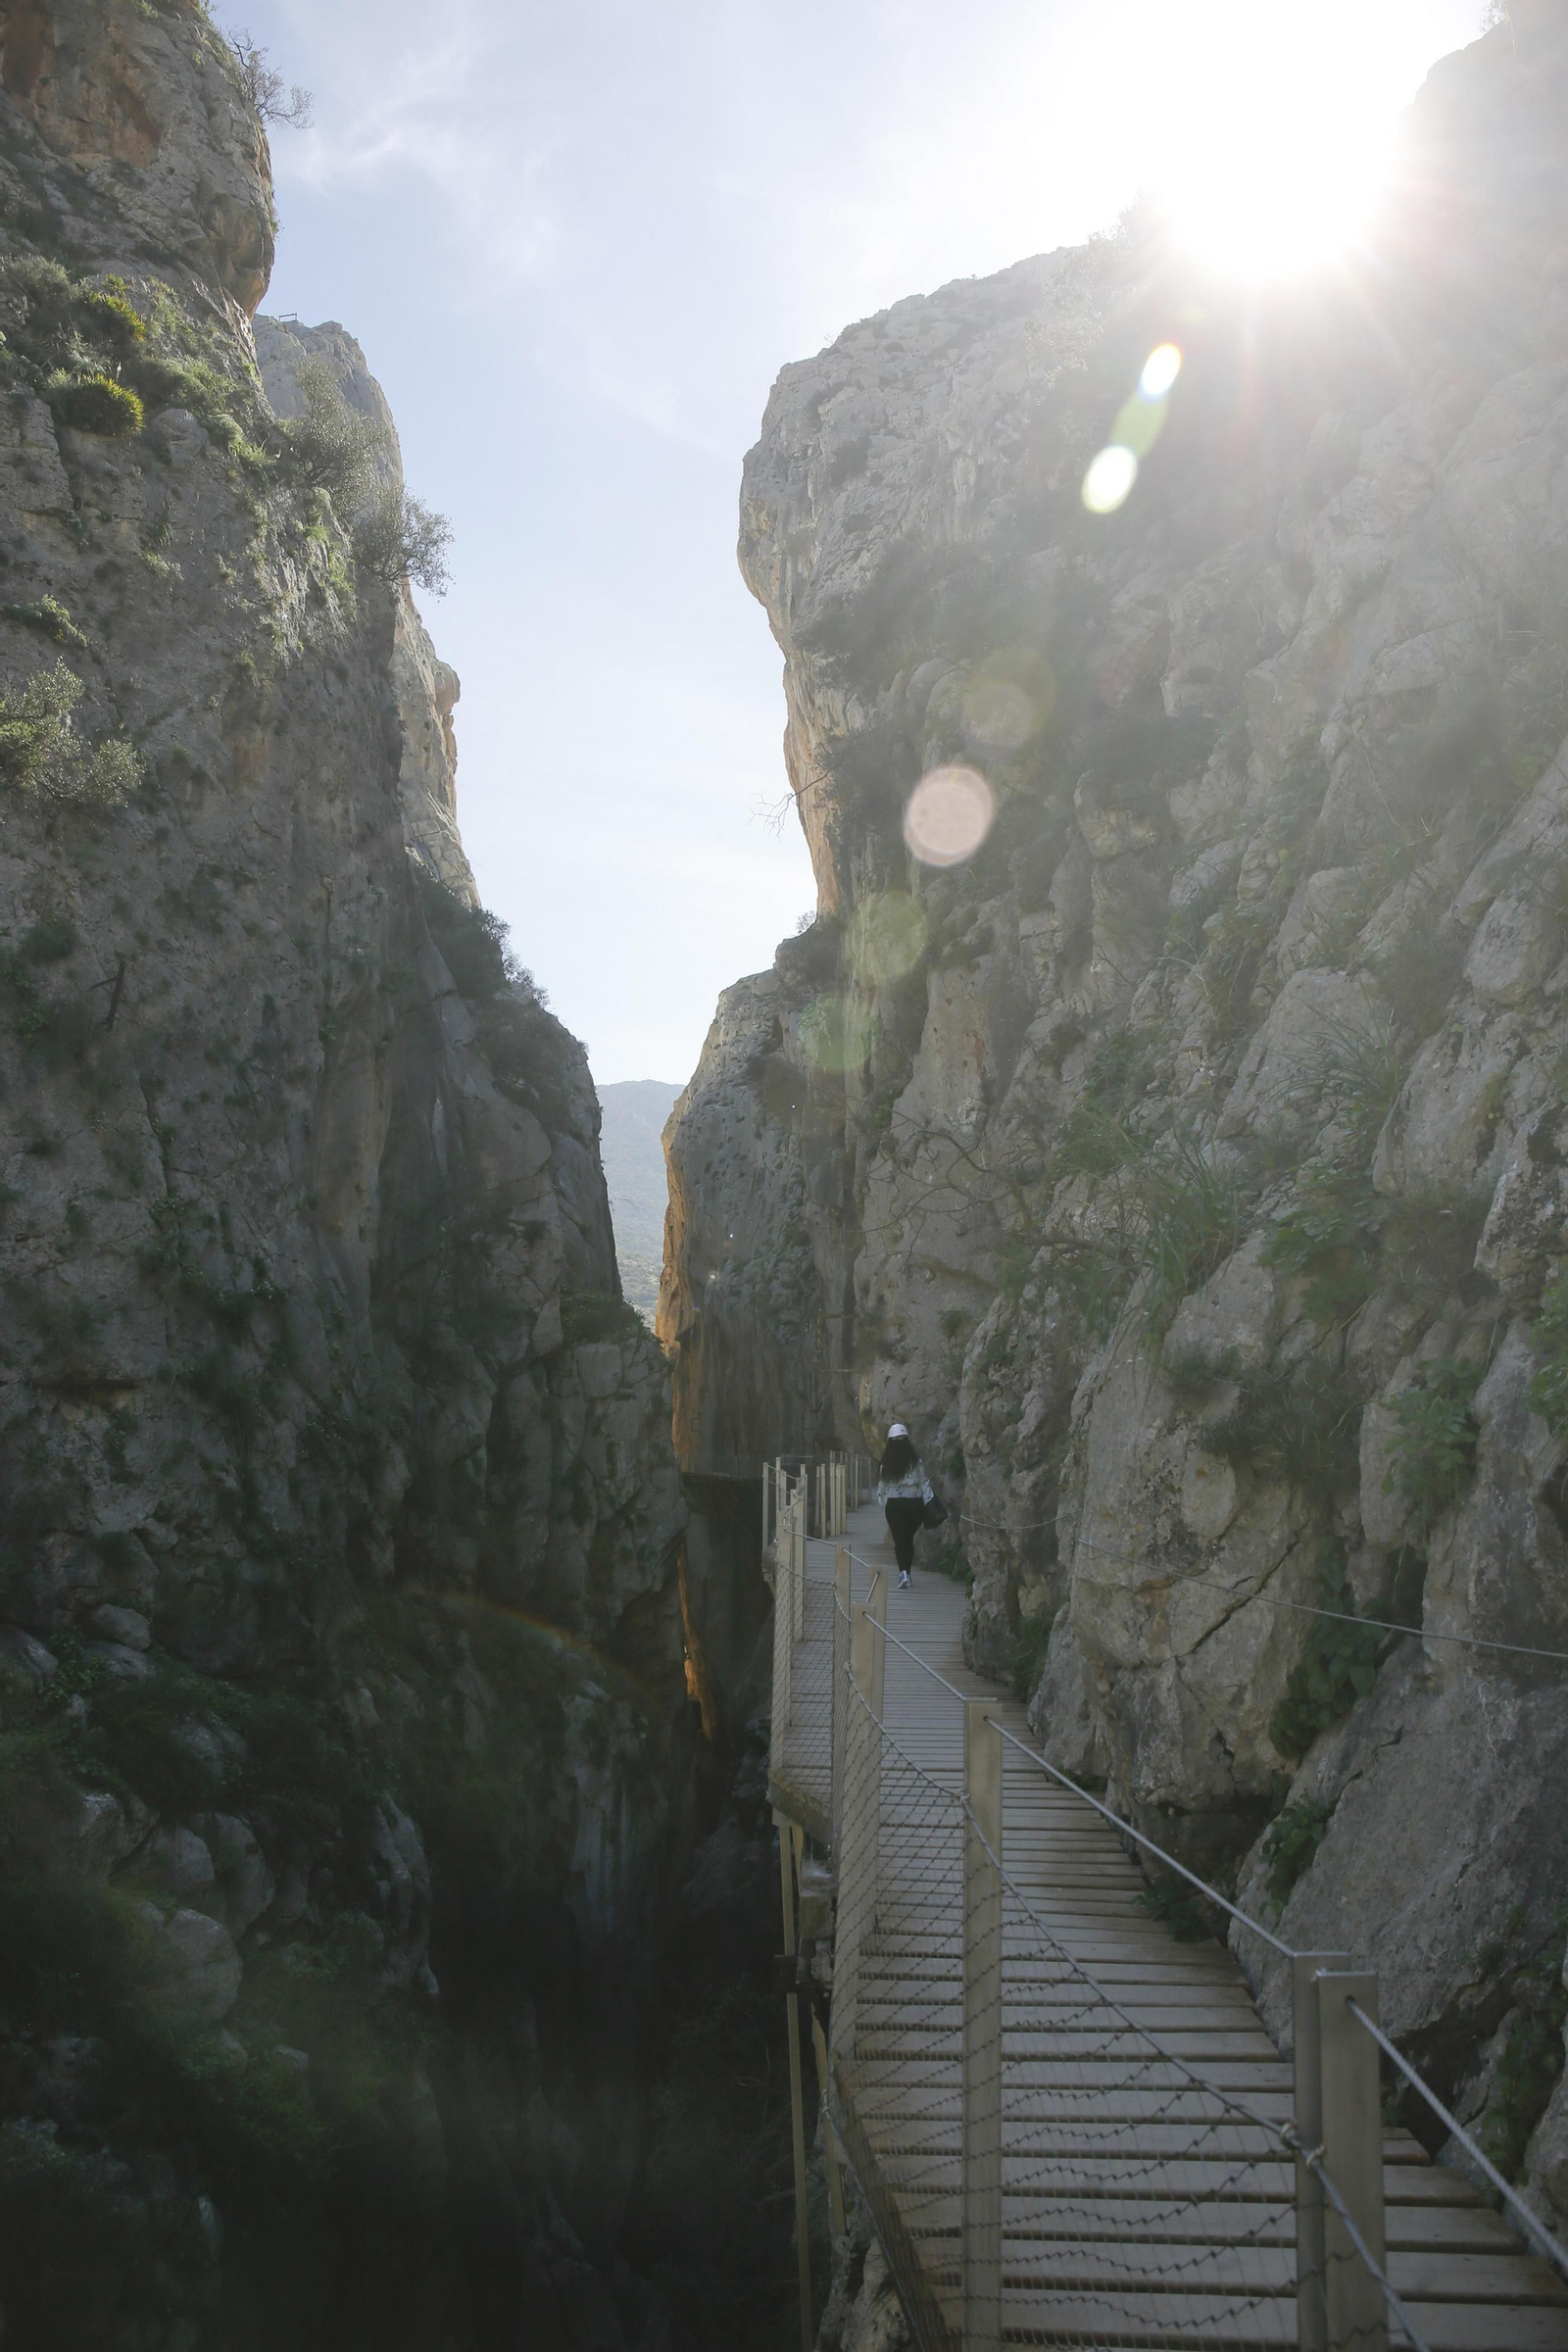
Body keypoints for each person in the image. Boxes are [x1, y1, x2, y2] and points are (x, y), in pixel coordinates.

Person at [876, 1422, 933, 1591]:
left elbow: (882, 1487)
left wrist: (884, 1506)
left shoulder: (886, 1463)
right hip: (914, 1503)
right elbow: (924, 1482)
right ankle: (906, 1572)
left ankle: (903, 1572)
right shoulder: (916, 1461)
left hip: (894, 1504)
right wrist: (927, 1503)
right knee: (907, 1538)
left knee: (899, 1539)